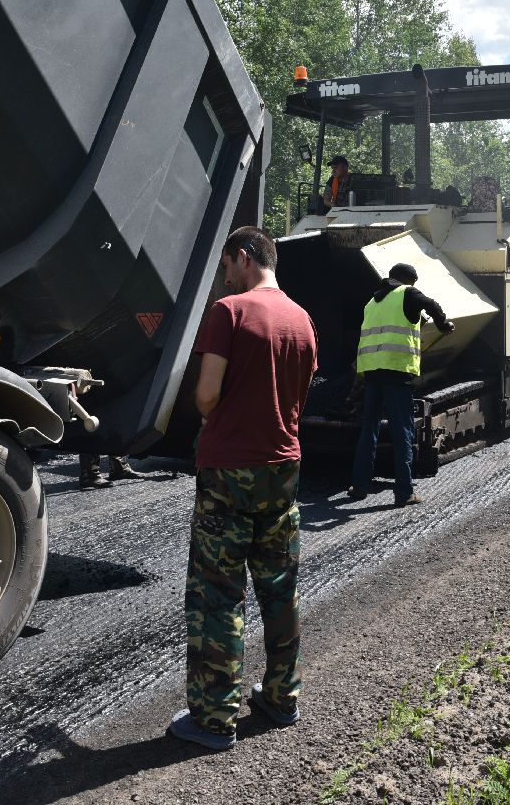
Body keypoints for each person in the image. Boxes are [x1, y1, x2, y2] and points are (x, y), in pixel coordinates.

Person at [168, 226, 317, 751]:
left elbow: (206, 396)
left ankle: (214, 718)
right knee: (279, 587)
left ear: (246, 256)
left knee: (218, 595)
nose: (226, 278)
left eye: (229, 265)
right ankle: (281, 698)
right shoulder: (302, 320)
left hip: (230, 469)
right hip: (283, 469)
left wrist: (217, 410)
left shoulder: (229, 314)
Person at [349, 262, 453, 507]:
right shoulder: (407, 292)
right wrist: (443, 324)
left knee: (369, 430)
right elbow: (432, 304)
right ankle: (404, 491)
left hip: (372, 373)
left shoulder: (372, 303)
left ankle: (359, 486)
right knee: (402, 431)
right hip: (396, 373)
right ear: (408, 280)